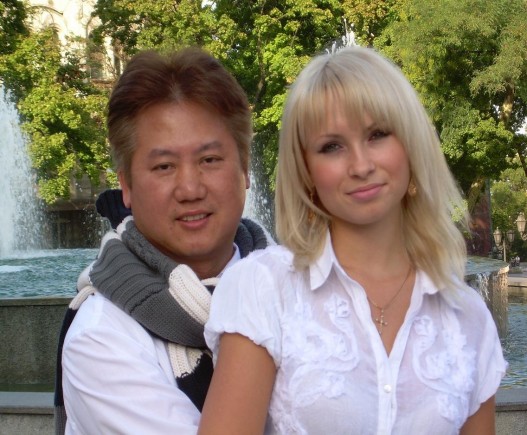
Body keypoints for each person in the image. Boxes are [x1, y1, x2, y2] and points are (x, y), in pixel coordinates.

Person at [199, 46, 507, 434]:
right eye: (332, 146)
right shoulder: (264, 288)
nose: (361, 166)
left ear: (411, 144)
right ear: (306, 170)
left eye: (377, 135)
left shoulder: (468, 317)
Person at [54, 47, 272, 434]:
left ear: (244, 168)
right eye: (164, 166)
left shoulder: (304, 288)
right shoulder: (101, 337)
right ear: (126, 186)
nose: (190, 189)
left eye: (209, 160)